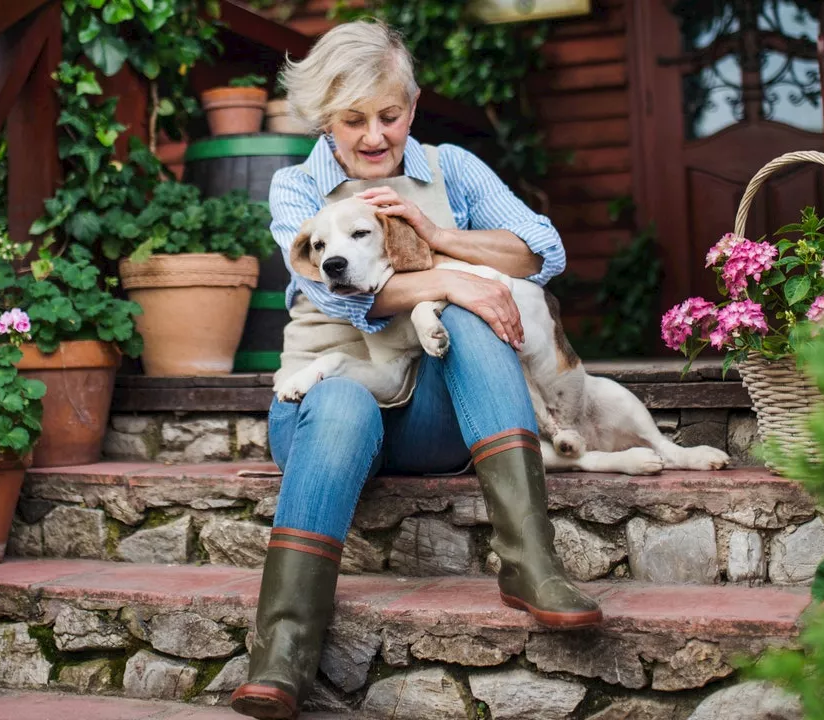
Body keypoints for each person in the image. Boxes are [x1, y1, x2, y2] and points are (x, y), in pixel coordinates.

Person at [231, 19, 601, 720]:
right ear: (323, 120)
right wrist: (453, 281)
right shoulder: (296, 189)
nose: (374, 136)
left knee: (474, 306)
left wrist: (440, 243)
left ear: (413, 105)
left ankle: (531, 565)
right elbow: (324, 288)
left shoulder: (451, 168)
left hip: (431, 416)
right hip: (321, 410)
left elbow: (541, 252)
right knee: (346, 396)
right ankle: (281, 653)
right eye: (353, 119)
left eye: (390, 115)